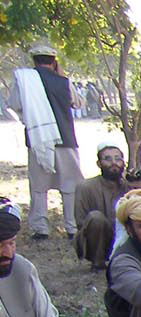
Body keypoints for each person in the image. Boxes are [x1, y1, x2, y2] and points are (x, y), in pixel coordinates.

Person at [10, 42, 80, 241]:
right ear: (54, 61)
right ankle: (71, 226)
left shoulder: (24, 81)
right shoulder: (64, 81)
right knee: (69, 186)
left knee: (39, 186)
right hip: (65, 138)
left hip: (37, 137)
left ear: (34, 60)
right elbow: (77, 102)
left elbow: (14, 104)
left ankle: (40, 227)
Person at [73, 139, 135, 269]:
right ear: (99, 163)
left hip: (126, 238)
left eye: (117, 159)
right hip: (97, 240)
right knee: (96, 218)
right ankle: (98, 262)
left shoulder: (130, 187)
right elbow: (81, 223)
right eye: (108, 159)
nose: (114, 163)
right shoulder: (85, 187)